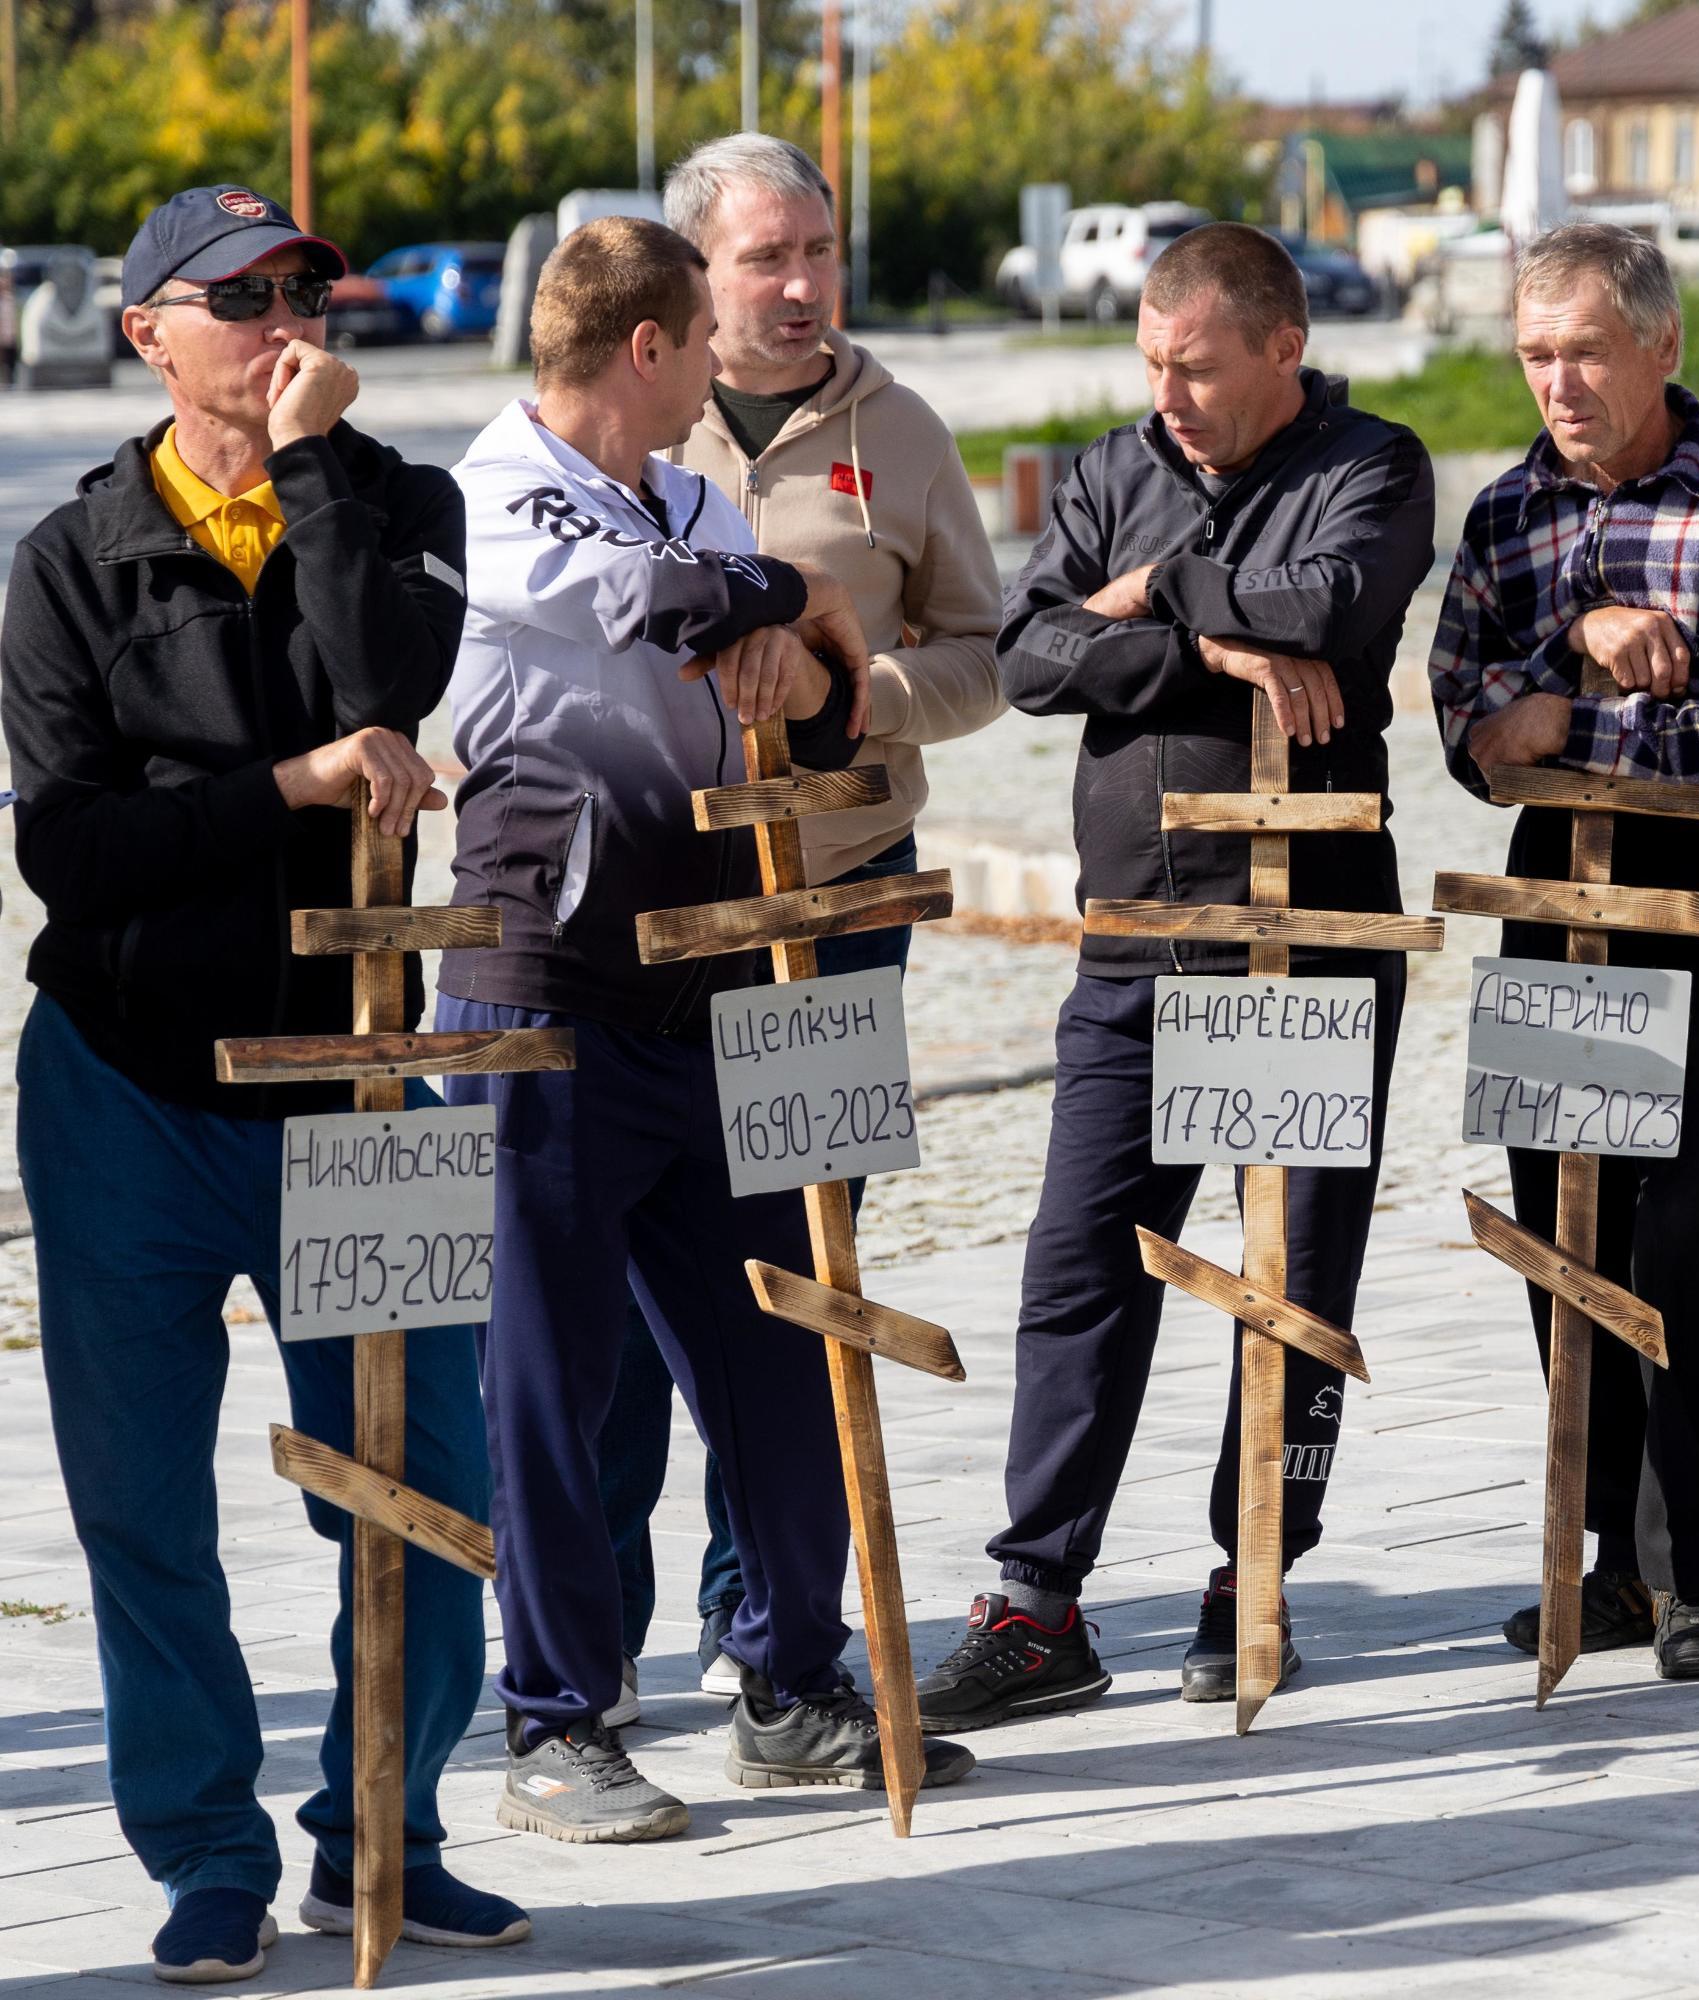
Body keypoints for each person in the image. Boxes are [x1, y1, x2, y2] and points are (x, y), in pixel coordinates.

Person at [3, 183, 528, 1981]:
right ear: (149, 332)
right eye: (243, 295)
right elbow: (74, 852)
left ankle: (388, 1827)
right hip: (125, 1085)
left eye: (309, 283)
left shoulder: (409, 506)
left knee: (427, 1476)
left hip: (370, 1091)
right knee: (140, 1500)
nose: (291, 315)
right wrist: (289, 792)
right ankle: (203, 1852)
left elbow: (392, 685)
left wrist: (311, 480)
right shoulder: (69, 558)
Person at [437, 216, 975, 1839]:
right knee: (551, 1374)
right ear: (650, 348)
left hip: (735, 975)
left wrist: (793, 621)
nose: (707, 393)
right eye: (694, 357)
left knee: (783, 1336)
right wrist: (789, 585)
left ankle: (793, 1680)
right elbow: (651, 599)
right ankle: (556, 1720)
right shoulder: (497, 487)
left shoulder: (684, 489)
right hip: (547, 987)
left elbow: (818, 669)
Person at [921, 222, 1434, 1722]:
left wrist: (1150, 597)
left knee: (1289, 1282)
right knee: (1079, 1266)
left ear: (1283, 348)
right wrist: (1206, 647)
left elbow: (1333, 608)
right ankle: (1037, 1602)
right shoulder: (1106, 468)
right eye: (1152, 364)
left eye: (1198, 367)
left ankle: (1253, 1575)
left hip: (1300, 945)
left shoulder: (1374, 463)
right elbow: (1027, 660)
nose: (1172, 396)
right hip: (1137, 941)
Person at [590, 133, 1009, 1714]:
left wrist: (860, 694)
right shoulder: (623, 417)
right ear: (692, 277)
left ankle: (768, 1624)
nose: (802, 284)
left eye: (819, 251)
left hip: (836, 906)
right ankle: (598, 1632)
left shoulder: (899, 430)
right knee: (630, 1286)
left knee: (800, 1259)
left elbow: (987, 651)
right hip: (653, 917)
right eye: (767, 258)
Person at [1430, 223, 1699, 1680]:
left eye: (1587, 349)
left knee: (1680, 1230)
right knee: (1562, 1237)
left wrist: (1571, 716)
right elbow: (1467, 721)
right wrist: (1575, 646)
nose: (1561, 381)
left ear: (1662, 344)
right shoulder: (1508, 516)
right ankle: (1603, 1561)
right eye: (1538, 354)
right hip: (1559, 904)